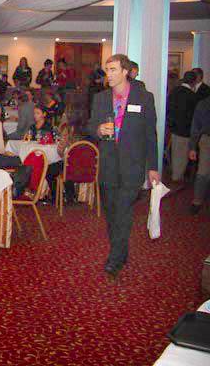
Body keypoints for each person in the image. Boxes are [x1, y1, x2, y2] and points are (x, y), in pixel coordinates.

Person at [87, 53, 159, 279]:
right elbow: (90, 126)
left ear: (125, 72)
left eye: (113, 70)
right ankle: (121, 250)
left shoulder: (144, 98)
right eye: (107, 70)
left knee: (123, 213)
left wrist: (153, 167)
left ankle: (115, 258)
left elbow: (150, 135)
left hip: (132, 166)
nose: (108, 74)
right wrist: (98, 130)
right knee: (111, 213)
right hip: (108, 165)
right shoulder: (100, 98)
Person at [166, 71, 199, 182]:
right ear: (194, 82)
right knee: (182, 156)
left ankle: (175, 175)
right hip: (185, 130)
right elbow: (193, 116)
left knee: (175, 153)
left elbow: (168, 108)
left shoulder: (174, 91)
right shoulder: (193, 96)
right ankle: (177, 178)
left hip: (173, 128)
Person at [189, 95, 210, 215]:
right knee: (203, 172)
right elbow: (195, 126)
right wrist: (192, 147)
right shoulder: (204, 104)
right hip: (207, 139)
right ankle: (197, 201)